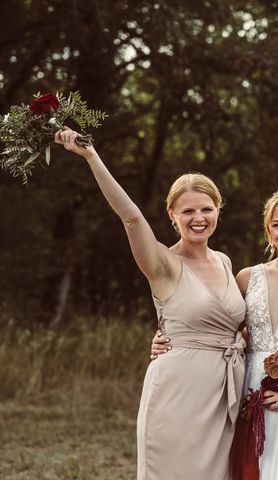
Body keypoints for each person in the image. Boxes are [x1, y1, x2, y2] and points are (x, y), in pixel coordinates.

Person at [55, 129, 246, 480]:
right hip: (177, 393)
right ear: (172, 214)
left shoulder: (225, 262)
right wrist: (91, 156)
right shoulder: (162, 263)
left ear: (219, 209)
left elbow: (234, 325)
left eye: (207, 208)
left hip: (222, 394)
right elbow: (131, 218)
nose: (198, 218)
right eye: (187, 211)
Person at [153, 188, 278, 479]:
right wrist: (165, 337)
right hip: (249, 391)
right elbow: (215, 325)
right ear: (268, 230)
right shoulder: (248, 277)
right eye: (277, 225)